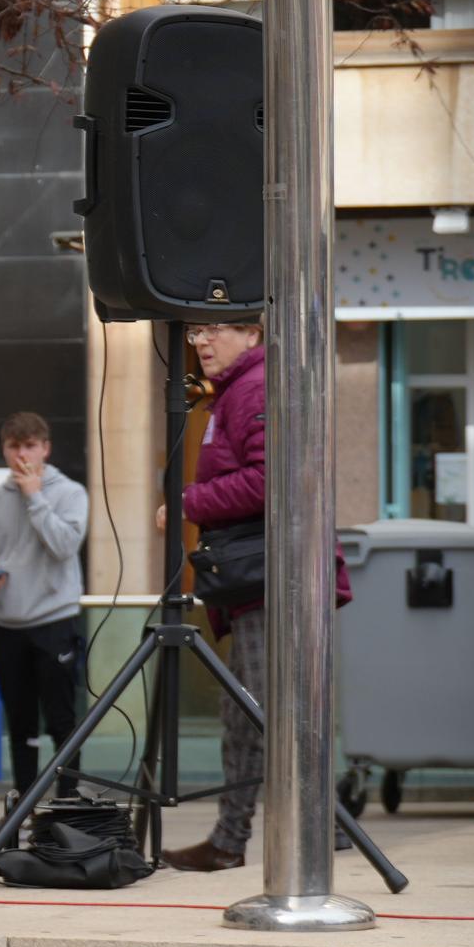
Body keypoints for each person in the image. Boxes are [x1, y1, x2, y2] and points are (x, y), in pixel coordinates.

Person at [157, 320, 351, 871]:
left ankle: (269, 834)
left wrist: (190, 501)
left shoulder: (259, 386)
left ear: (252, 333)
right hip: (263, 578)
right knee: (262, 712)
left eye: (213, 330)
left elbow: (272, 480)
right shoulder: (239, 390)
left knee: (260, 711)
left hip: (274, 580)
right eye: (194, 332)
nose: (200, 342)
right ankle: (274, 832)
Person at [0, 412, 90, 827]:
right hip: (8, 624)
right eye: (14, 447)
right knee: (19, 723)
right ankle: (21, 811)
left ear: (46, 448)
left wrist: (35, 496)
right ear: (5, 450)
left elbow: (65, 546)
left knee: (61, 719)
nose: (22, 455)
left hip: (55, 619)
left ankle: (69, 809)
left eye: (30, 446)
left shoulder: (70, 492)